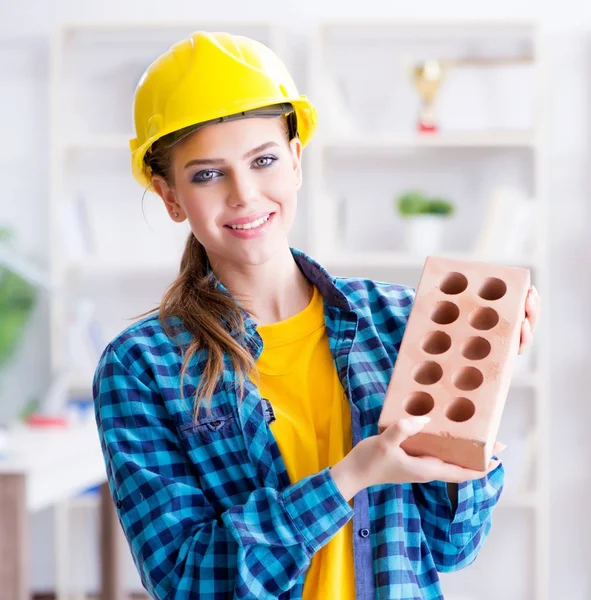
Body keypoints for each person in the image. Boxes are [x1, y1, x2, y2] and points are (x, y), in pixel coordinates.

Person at [93, 31, 541, 600]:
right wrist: (350, 477)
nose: (245, 194)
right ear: (170, 197)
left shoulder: (400, 321)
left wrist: (476, 398)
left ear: (296, 159)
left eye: (264, 160)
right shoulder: (143, 367)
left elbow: (454, 546)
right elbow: (187, 581)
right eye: (208, 174)